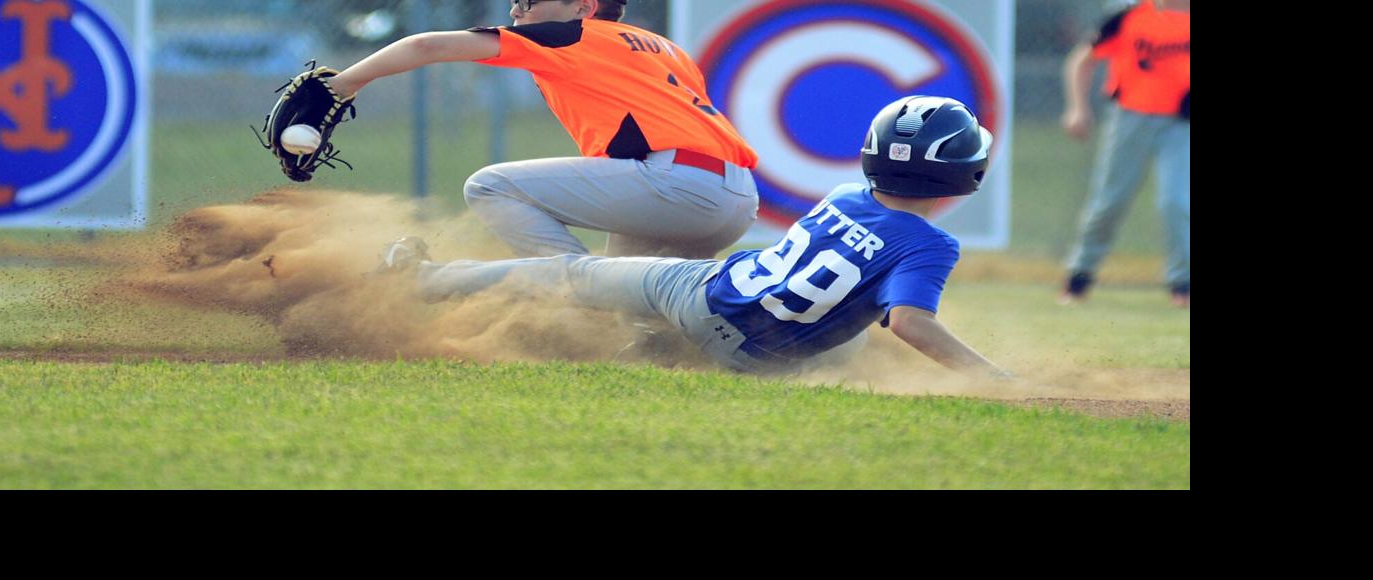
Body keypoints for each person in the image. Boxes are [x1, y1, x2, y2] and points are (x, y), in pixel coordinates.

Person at [380, 96, 1012, 381]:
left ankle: (427, 280)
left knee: (569, 275)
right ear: (966, 175)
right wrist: (990, 377)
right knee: (854, 339)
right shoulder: (932, 245)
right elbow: (908, 321)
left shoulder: (845, 196)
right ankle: (652, 347)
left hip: (700, 295)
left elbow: (891, 304)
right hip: (759, 360)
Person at [324, 0, 760, 259]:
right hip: (734, 197)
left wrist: (341, 85)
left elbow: (426, 45)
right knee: (631, 310)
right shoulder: (665, 49)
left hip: (675, 185)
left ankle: (574, 289)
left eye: (529, 0)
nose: (516, 10)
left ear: (583, 8)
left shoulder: (573, 35)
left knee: (490, 186)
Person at [1058, 0, 1190, 308]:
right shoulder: (1130, 16)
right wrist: (1077, 108)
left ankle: (1182, 284)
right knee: (1109, 201)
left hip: (1180, 124)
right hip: (1130, 118)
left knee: (1176, 201)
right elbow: (1080, 60)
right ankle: (1079, 277)